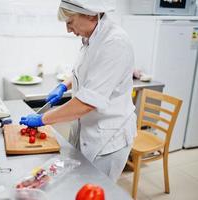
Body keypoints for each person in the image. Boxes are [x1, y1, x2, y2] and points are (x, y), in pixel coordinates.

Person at [20, 0, 136, 182]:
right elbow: (86, 73)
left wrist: (43, 119)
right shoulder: (91, 37)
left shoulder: (115, 43)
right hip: (86, 130)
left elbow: (87, 103)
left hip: (107, 138)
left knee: (95, 190)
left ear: (90, 14)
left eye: (70, 22)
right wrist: (64, 85)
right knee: (78, 184)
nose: (68, 30)